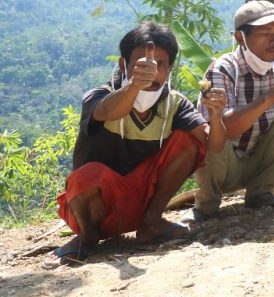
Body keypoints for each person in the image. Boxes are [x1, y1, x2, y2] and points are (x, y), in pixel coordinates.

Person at [46, 22, 227, 267]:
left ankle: (151, 223)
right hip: (96, 207)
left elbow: (212, 145)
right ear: (124, 65)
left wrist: (216, 117)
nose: (151, 72)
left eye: (159, 65)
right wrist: (134, 85)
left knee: (188, 142)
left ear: (170, 68)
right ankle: (88, 237)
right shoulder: (98, 95)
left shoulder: (175, 104)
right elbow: (107, 111)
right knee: (87, 176)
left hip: (140, 202)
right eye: (142, 64)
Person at [191, 0, 274, 219]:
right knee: (211, 133)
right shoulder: (223, 69)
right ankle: (206, 203)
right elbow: (224, 129)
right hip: (224, 165)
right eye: (265, 32)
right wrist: (270, 96)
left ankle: (261, 192)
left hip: (258, 160)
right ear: (240, 38)